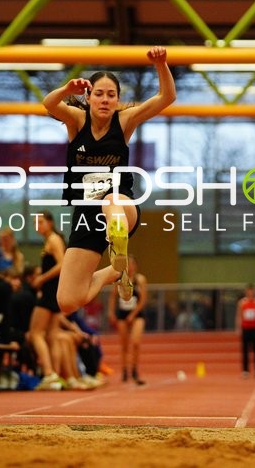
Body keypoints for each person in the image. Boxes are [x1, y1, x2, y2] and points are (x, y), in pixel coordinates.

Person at [42, 45, 176, 314]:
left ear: (117, 99)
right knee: (67, 301)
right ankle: (111, 272)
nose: (105, 100)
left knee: (110, 199)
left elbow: (167, 97)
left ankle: (118, 243)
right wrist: (68, 90)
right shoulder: (77, 121)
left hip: (122, 209)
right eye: (99, 94)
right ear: (89, 96)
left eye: (111, 95)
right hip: (87, 216)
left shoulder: (124, 121)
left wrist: (161, 64)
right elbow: (49, 104)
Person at [29, 211, 66, 390]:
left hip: (50, 291)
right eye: (36, 222)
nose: (38, 226)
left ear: (50, 222)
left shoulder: (53, 240)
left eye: (41, 222)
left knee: (35, 332)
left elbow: (62, 263)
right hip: (54, 290)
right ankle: (55, 376)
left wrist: (41, 278)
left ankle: (49, 373)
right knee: (52, 334)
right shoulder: (50, 240)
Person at [107, 255, 148, 385]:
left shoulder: (140, 279)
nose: (129, 267)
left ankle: (134, 370)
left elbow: (143, 299)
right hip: (122, 314)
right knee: (124, 344)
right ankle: (125, 371)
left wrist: (133, 314)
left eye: (131, 264)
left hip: (137, 314)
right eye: (127, 265)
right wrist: (111, 312)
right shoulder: (119, 278)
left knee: (135, 342)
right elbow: (113, 296)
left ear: (135, 266)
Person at [236, 283, 255, 378]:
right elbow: (239, 315)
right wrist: (238, 328)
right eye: (249, 291)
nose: (251, 293)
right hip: (246, 328)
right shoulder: (242, 302)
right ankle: (245, 370)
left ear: (254, 292)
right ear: (246, 292)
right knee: (245, 350)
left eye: (252, 291)